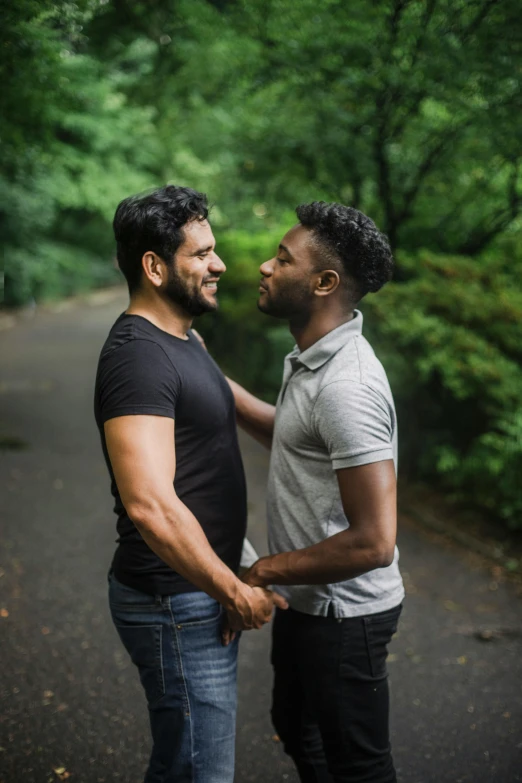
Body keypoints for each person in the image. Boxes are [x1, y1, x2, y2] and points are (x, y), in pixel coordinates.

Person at [93, 185, 286, 783]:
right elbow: (149, 504)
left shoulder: (184, 340)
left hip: (194, 591)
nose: (220, 264)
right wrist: (231, 588)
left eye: (215, 250)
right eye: (201, 254)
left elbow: (244, 412)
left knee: (182, 763)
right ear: (154, 267)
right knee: (203, 771)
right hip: (174, 600)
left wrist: (341, 436)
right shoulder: (138, 359)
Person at [227, 201, 405, 783]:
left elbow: (375, 543)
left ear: (324, 282)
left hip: (343, 614)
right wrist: (212, 381)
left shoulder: (346, 387)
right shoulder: (311, 358)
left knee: (358, 765)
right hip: (309, 602)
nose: (263, 266)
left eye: (282, 259)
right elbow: (294, 436)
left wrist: (265, 571)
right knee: (297, 726)